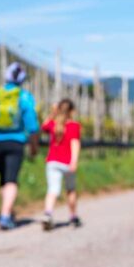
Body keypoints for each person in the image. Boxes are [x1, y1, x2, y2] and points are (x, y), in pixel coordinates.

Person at [0, 62, 39, 231]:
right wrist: (34, 146)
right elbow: (32, 126)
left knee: (3, 178)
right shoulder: (25, 97)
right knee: (11, 180)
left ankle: (6, 211)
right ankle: (5, 215)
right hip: (15, 142)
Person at [40, 99, 82, 231]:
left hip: (52, 162)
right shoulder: (74, 126)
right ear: (72, 111)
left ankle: (48, 214)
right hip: (67, 163)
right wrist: (74, 161)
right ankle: (73, 215)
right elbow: (75, 143)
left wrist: (53, 112)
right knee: (70, 190)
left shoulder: (53, 124)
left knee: (53, 190)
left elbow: (43, 125)